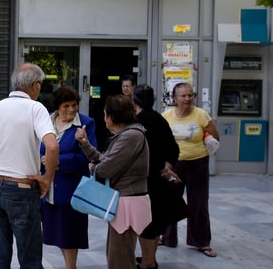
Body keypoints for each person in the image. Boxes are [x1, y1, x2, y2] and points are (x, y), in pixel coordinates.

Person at [0, 63, 60, 269]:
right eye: (40, 84)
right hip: (22, 189)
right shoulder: (36, 108)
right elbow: (52, 146)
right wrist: (47, 179)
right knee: (30, 257)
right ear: (34, 85)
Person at [75, 94, 150, 269]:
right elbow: (106, 160)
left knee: (119, 259)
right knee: (117, 254)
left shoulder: (131, 136)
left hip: (128, 202)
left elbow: (105, 168)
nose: (104, 118)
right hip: (125, 200)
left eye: (105, 114)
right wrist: (85, 145)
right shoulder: (126, 135)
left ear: (113, 116)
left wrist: (93, 168)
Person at [161, 82, 220, 258]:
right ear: (175, 98)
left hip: (198, 164)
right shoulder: (167, 116)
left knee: (199, 203)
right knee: (170, 201)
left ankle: (201, 242)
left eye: (190, 95)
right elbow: (161, 141)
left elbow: (215, 136)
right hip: (174, 165)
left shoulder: (201, 115)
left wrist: (206, 140)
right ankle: (167, 237)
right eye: (183, 96)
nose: (187, 99)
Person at [40, 85, 96, 269]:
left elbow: (90, 157)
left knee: (70, 234)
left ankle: (71, 267)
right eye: (66, 106)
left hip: (72, 189)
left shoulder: (86, 124)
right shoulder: (45, 121)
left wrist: (58, 161)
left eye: (74, 105)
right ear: (57, 106)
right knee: (57, 233)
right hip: (49, 188)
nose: (71, 109)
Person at [132, 85, 183, 269]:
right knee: (154, 222)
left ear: (134, 100)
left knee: (145, 224)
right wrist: (167, 167)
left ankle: (147, 263)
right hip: (158, 179)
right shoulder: (160, 119)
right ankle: (150, 259)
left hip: (142, 182)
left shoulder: (135, 122)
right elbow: (174, 149)